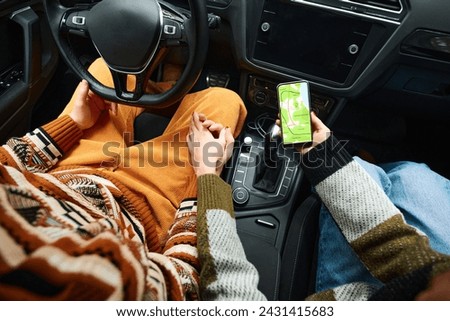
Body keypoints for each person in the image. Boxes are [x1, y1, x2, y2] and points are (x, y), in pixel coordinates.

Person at [0, 57, 254, 300]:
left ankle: (169, 84)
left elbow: (5, 162)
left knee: (105, 70)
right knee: (225, 99)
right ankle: (175, 81)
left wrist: (72, 123)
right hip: (143, 203)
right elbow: (182, 282)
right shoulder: (91, 291)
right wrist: (206, 175)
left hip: (65, 171)